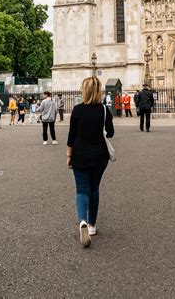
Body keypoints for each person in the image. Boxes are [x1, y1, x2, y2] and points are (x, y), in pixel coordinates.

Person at [67, 76, 114, 247]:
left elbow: (71, 135)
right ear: (99, 91)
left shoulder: (77, 110)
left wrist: (68, 155)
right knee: (94, 189)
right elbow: (110, 133)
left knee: (81, 190)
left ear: (84, 90)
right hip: (100, 156)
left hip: (79, 155)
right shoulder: (104, 110)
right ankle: (92, 225)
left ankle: (83, 221)